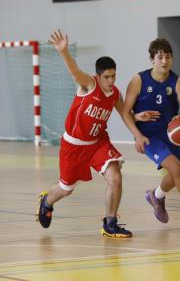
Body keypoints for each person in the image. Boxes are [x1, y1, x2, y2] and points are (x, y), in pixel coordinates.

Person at [36, 30, 134, 238]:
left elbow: (125, 112)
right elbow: (74, 72)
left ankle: (110, 223)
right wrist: (64, 52)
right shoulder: (88, 85)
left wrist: (138, 130)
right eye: (106, 77)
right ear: (98, 76)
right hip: (74, 146)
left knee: (115, 177)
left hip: (98, 143)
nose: (110, 80)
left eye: (113, 76)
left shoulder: (115, 93)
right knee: (66, 189)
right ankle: (47, 201)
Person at [121, 38, 180, 235]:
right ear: (152, 59)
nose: (164, 61)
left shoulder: (177, 82)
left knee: (175, 175)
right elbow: (125, 111)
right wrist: (137, 132)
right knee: (177, 169)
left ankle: (156, 196)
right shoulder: (138, 80)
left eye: (168, 56)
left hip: (170, 135)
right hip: (149, 136)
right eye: (160, 57)